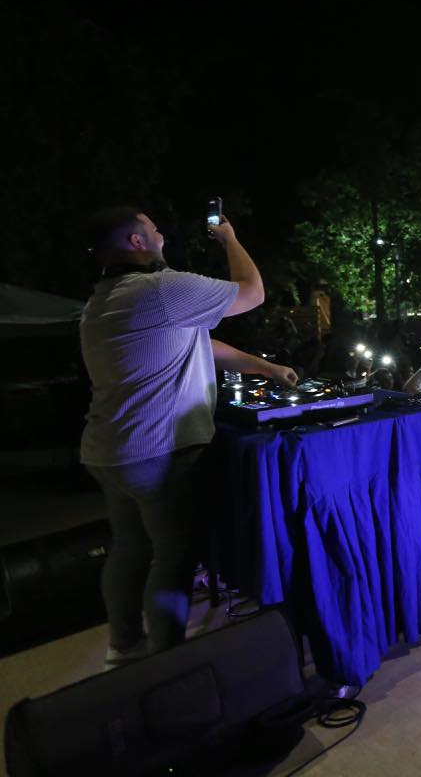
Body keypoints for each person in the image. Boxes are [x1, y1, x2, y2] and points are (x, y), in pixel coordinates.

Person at [80, 207, 296, 665]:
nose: (161, 234)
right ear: (137, 241)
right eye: (153, 229)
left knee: (129, 549)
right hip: (156, 451)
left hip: (108, 452)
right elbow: (252, 292)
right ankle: (168, 665)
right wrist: (229, 238)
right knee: (173, 557)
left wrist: (265, 366)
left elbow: (198, 341)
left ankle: (123, 648)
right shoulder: (160, 289)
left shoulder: (103, 299)